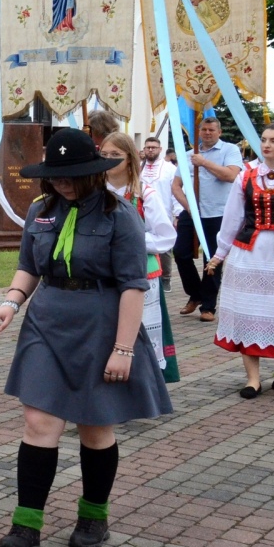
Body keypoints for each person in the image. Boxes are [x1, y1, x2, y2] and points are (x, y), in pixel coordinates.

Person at [0, 129, 172, 547]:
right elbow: (29, 266)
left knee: (95, 426)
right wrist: (10, 304)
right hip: (46, 323)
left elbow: (133, 285)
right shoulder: (40, 210)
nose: (62, 183)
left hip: (100, 326)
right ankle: (26, 527)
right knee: (39, 422)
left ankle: (94, 516)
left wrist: (123, 349)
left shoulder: (120, 215)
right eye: (55, 176)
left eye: (71, 176)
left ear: (92, 172)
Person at [206, 123, 274, 397]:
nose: (267, 145)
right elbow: (233, 217)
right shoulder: (246, 175)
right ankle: (253, 379)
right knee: (249, 313)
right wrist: (219, 255)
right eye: (264, 139)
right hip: (249, 254)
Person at [101, 133, 179, 383]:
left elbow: (166, 237)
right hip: (101, 272)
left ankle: (142, 382)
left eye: (116, 155)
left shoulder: (144, 193)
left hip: (140, 272)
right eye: (104, 154)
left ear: (130, 159)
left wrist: (129, 241)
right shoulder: (93, 192)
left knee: (139, 329)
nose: (109, 159)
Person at [171, 115, 243, 323]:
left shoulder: (229, 150)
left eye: (212, 130)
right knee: (180, 253)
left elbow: (230, 176)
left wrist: (203, 163)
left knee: (212, 259)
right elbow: (176, 186)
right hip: (192, 212)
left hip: (218, 213)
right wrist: (188, 206)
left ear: (219, 132)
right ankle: (195, 294)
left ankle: (208, 306)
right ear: (199, 132)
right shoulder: (188, 155)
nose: (207, 133)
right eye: (204, 129)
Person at [139, 136, 178, 291]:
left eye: (153, 147)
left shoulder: (169, 169)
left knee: (164, 248)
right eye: (148, 147)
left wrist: (178, 213)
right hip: (141, 213)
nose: (150, 150)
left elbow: (175, 191)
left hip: (163, 211)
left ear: (160, 149)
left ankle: (166, 278)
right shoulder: (138, 167)